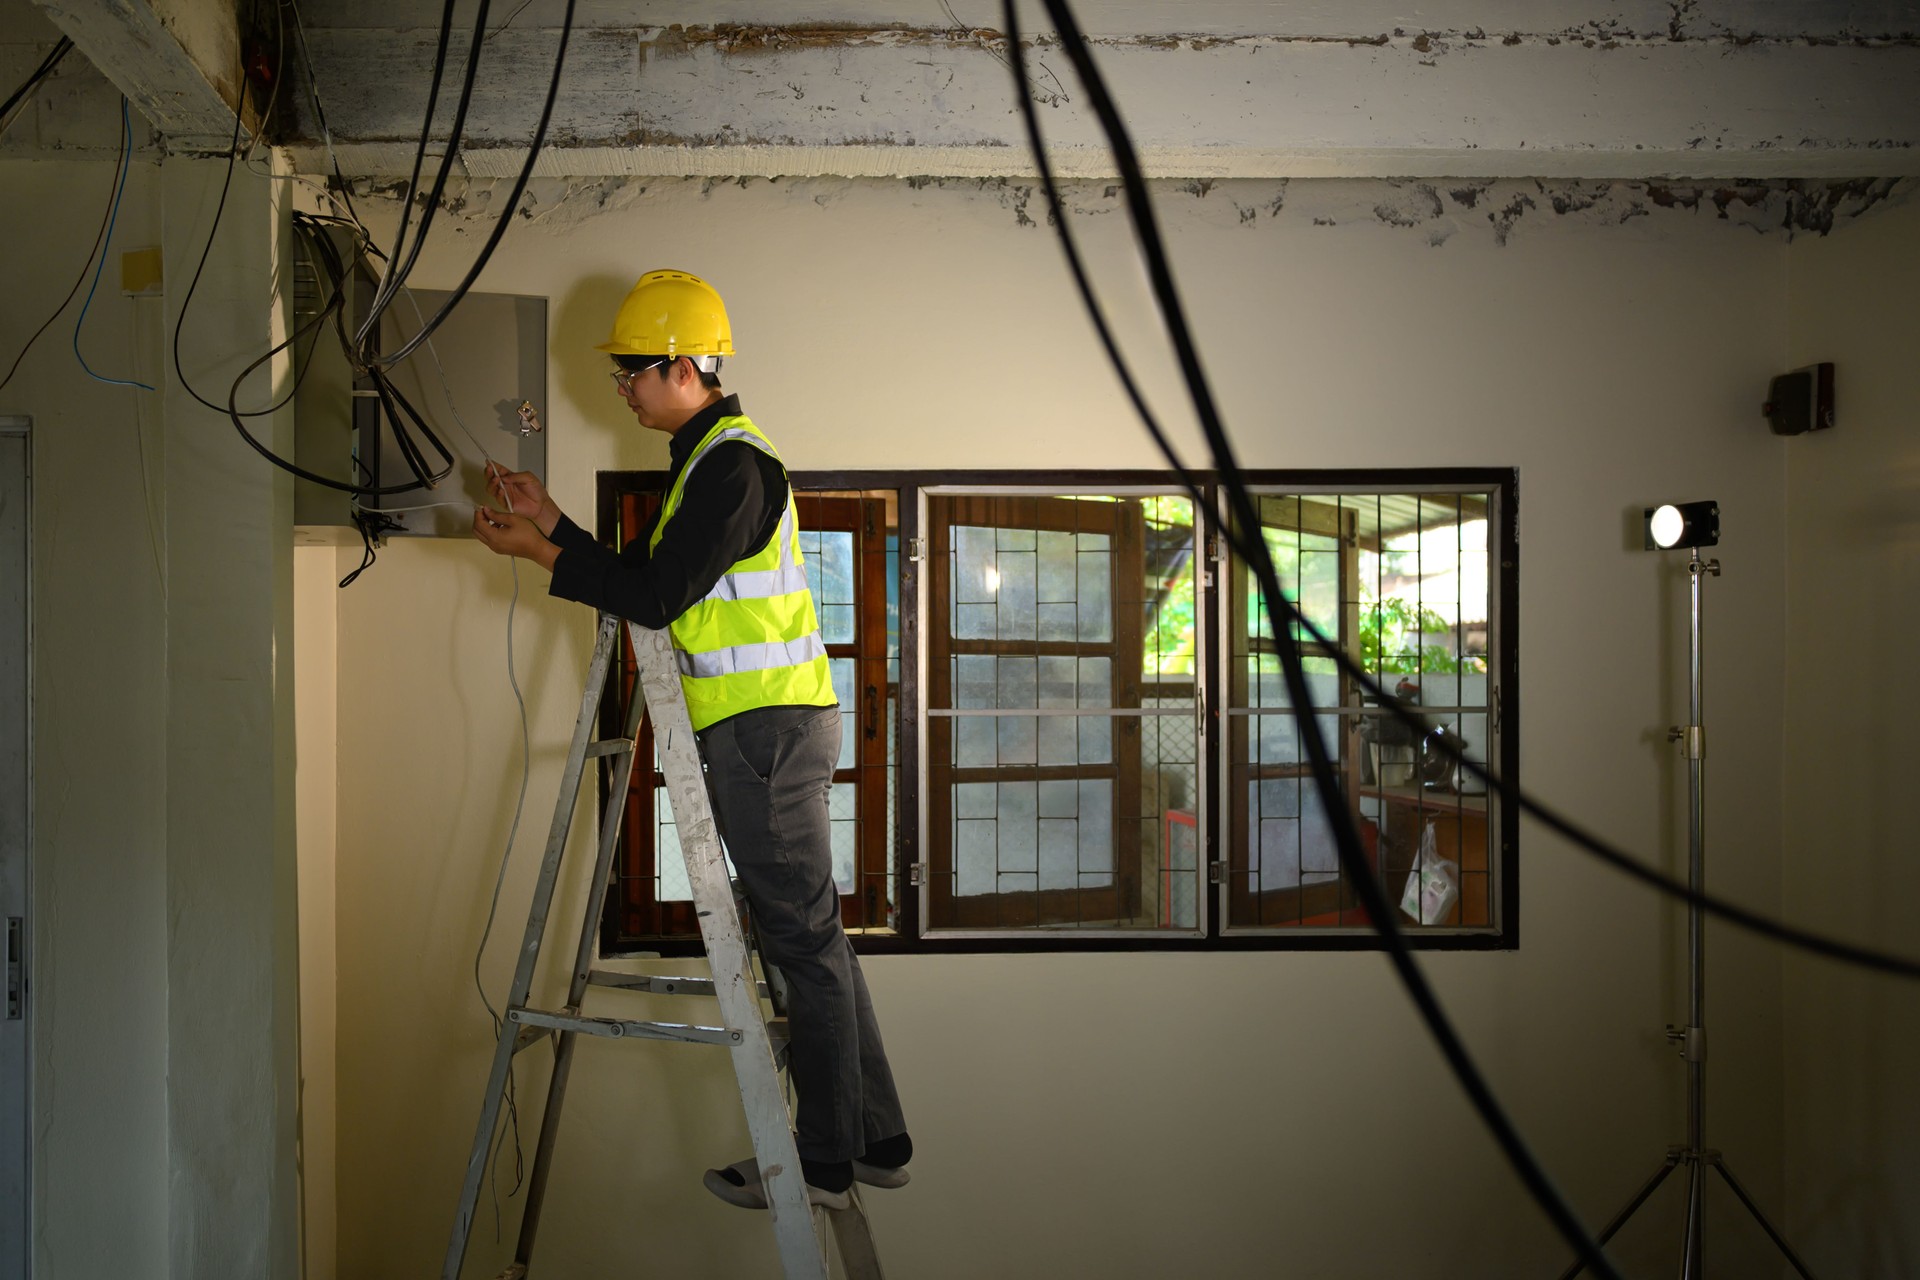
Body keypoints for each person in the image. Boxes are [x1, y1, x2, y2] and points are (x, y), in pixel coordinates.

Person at [471, 268, 911, 1211]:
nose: (620, 388)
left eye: (630, 371)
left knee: (799, 943)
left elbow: (656, 600)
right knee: (815, 939)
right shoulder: (712, 461)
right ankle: (876, 1137)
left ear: (681, 367)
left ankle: (823, 1165)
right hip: (772, 726)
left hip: (764, 734)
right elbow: (652, 577)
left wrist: (536, 553)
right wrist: (552, 523)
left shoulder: (733, 467)